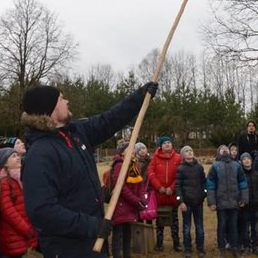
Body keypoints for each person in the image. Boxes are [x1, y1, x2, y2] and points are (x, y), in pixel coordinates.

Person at [21, 82, 158, 258]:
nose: (67, 101)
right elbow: (41, 211)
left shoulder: (76, 132)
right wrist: (91, 225)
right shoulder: (41, 154)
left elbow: (109, 120)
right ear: (51, 109)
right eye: (62, 98)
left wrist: (140, 97)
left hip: (92, 243)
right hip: (68, 249)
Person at [0, 148, 37, 258]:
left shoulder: (22, 178)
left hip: (28, 233)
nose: (18, 158)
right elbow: (8, 211)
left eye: (17, 155)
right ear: (5, 164)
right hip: (14, 235)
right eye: (13, 156)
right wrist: (26, 229)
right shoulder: (4, 182)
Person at [206, 145, 249, 258]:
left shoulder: (236, 165)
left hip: (234, 202)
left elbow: (243, 183)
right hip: (221, 203)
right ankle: (222, 248)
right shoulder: (215, 166)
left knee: (234, 225)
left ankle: (234, 248)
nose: (224, 150)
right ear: (218, 152)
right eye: (222, 149)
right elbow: (210, 185)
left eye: (226, 148)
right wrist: (212, 202)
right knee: (222, 225)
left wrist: (244, 198)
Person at [110, 141, 146, 258]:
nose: (132, 151)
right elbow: (120, 186)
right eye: (128, 149)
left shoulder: (134, 166)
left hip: (130, 206)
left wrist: (141, 198)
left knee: (127, 235)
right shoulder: (119, 165)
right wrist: (136, 200)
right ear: (122, 152)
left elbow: (140, 184)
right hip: (120, 205)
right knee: (118, 236)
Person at [148, 135, 183, 252]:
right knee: (159, 222)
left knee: (175, 221)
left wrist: (172, 188)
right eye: (164, 143)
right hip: (160, 195)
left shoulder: (178, 158)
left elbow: (180, 175)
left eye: (169, 142)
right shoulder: (155, 158)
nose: (167, 144)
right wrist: (159, 187)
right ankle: (159, 243)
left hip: (173, 195)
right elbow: (151, 173)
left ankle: (176, 243)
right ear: (160, 146)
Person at [175, 145, 206, 258]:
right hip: (186, 204)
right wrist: (181, 202)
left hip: (198, 202)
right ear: (183, 155)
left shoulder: (199, 167)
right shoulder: (180, 169)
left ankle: (200, 248)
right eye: (186, 151)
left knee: (199, 227)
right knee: (187, 227)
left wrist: (204, 193)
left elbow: (204, 182)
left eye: (191, 150)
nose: (189, 152)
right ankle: (187, 248)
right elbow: (177, 187)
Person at [238, 152, 258, 256]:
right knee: (245, 228)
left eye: (248, 158)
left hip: (256, 206)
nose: (246, 160)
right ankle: (246, 246)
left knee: (255, 228)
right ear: (241, 162)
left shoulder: (257, 175)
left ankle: (255, 246)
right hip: (245, 207)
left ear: (251, 161)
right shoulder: (240, 175)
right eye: (244, 159)